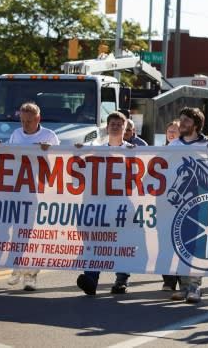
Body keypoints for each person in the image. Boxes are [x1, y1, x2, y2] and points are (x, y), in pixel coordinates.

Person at [76, 111, 135, 295]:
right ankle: (91, 280)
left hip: (122, 205)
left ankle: (121, 279)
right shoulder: (95, 148)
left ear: (126, 128)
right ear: (107, 127)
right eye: (113, 124)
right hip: (98, 205)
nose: (116, 127)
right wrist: (77, 150)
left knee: (122, 242)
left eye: (120, 124)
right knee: (94, 241)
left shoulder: (135, 150)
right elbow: (74, 160)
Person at [3, 102, 60, 291]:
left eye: (29, 121)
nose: (25, 124)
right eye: (22, 120)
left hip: (39, 193)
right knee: (17, 232)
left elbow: (61, 163)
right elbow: (8, 157)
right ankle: (17, 268)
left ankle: (31, 276)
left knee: (33, 235)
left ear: (38, 119)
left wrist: (48, 151)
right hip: (18, 191)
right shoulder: (16, 135)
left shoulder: (49, 136)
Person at [166, 107, 208, 303]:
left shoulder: (207, 145)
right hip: (177, 205)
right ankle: (183, 286)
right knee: (179, 244)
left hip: (200, 204)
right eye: (181, 120)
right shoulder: (173, 145)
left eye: (187, 121)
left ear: (196, 124)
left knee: (196, 246)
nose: (182, 124)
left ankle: (195, 287)